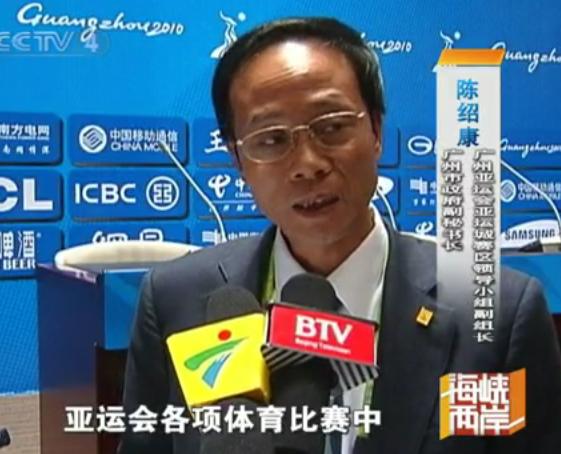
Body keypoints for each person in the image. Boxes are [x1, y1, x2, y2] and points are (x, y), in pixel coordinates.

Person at [119, 17, 561, 454]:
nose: (307, 164)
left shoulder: (498, 313)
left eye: (331, 127)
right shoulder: (177, 300)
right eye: (271, 139)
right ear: (238, 160)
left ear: (376, 131)